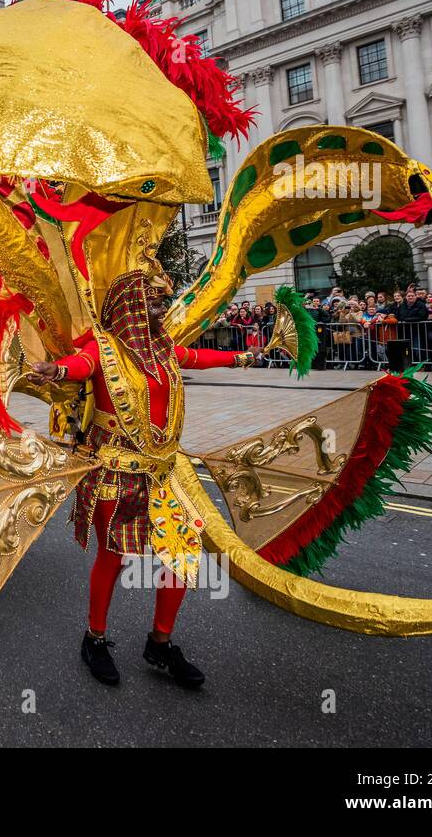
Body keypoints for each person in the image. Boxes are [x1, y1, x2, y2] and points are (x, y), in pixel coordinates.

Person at [26, 270, 257, 690]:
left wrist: (241, 358)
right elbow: (81, 365)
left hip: (161, 474)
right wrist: (56, 372)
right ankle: (94, 638)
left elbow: (196, 357)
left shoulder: (162, 349)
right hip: (114, 472)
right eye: (153, 302)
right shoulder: (105, 348)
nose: (160, 309)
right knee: (113, 557)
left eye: (161, 301)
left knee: (183, 556)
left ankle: (160, 643)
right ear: (131, 305)